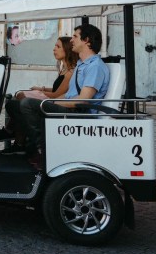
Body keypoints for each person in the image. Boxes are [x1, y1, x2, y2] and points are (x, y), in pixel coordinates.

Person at [17, 24, 110, 169]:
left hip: (80, 114)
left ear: (87, 41)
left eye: (75, 37)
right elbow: (69, 93)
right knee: (20, 103)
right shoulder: (82, 64)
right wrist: (51, 100)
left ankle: (43, 150)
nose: (71, 40)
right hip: (72, 110)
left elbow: (83, 101)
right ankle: (28, 147)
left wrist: (52, 102)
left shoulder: (95, 66)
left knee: (27, 104)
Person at [0, 36, 78, 154]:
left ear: (66, 49)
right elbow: (57, 89)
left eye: (58, 46)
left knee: (21, 99)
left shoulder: (70, 72)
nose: (54, 49)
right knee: (14, 102)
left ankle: (19, 137)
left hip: (56, 103)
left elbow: (56, 94)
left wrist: (39, 93)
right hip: (53, 99)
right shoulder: (63, 69)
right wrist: (41, 88)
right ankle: (17, 139)